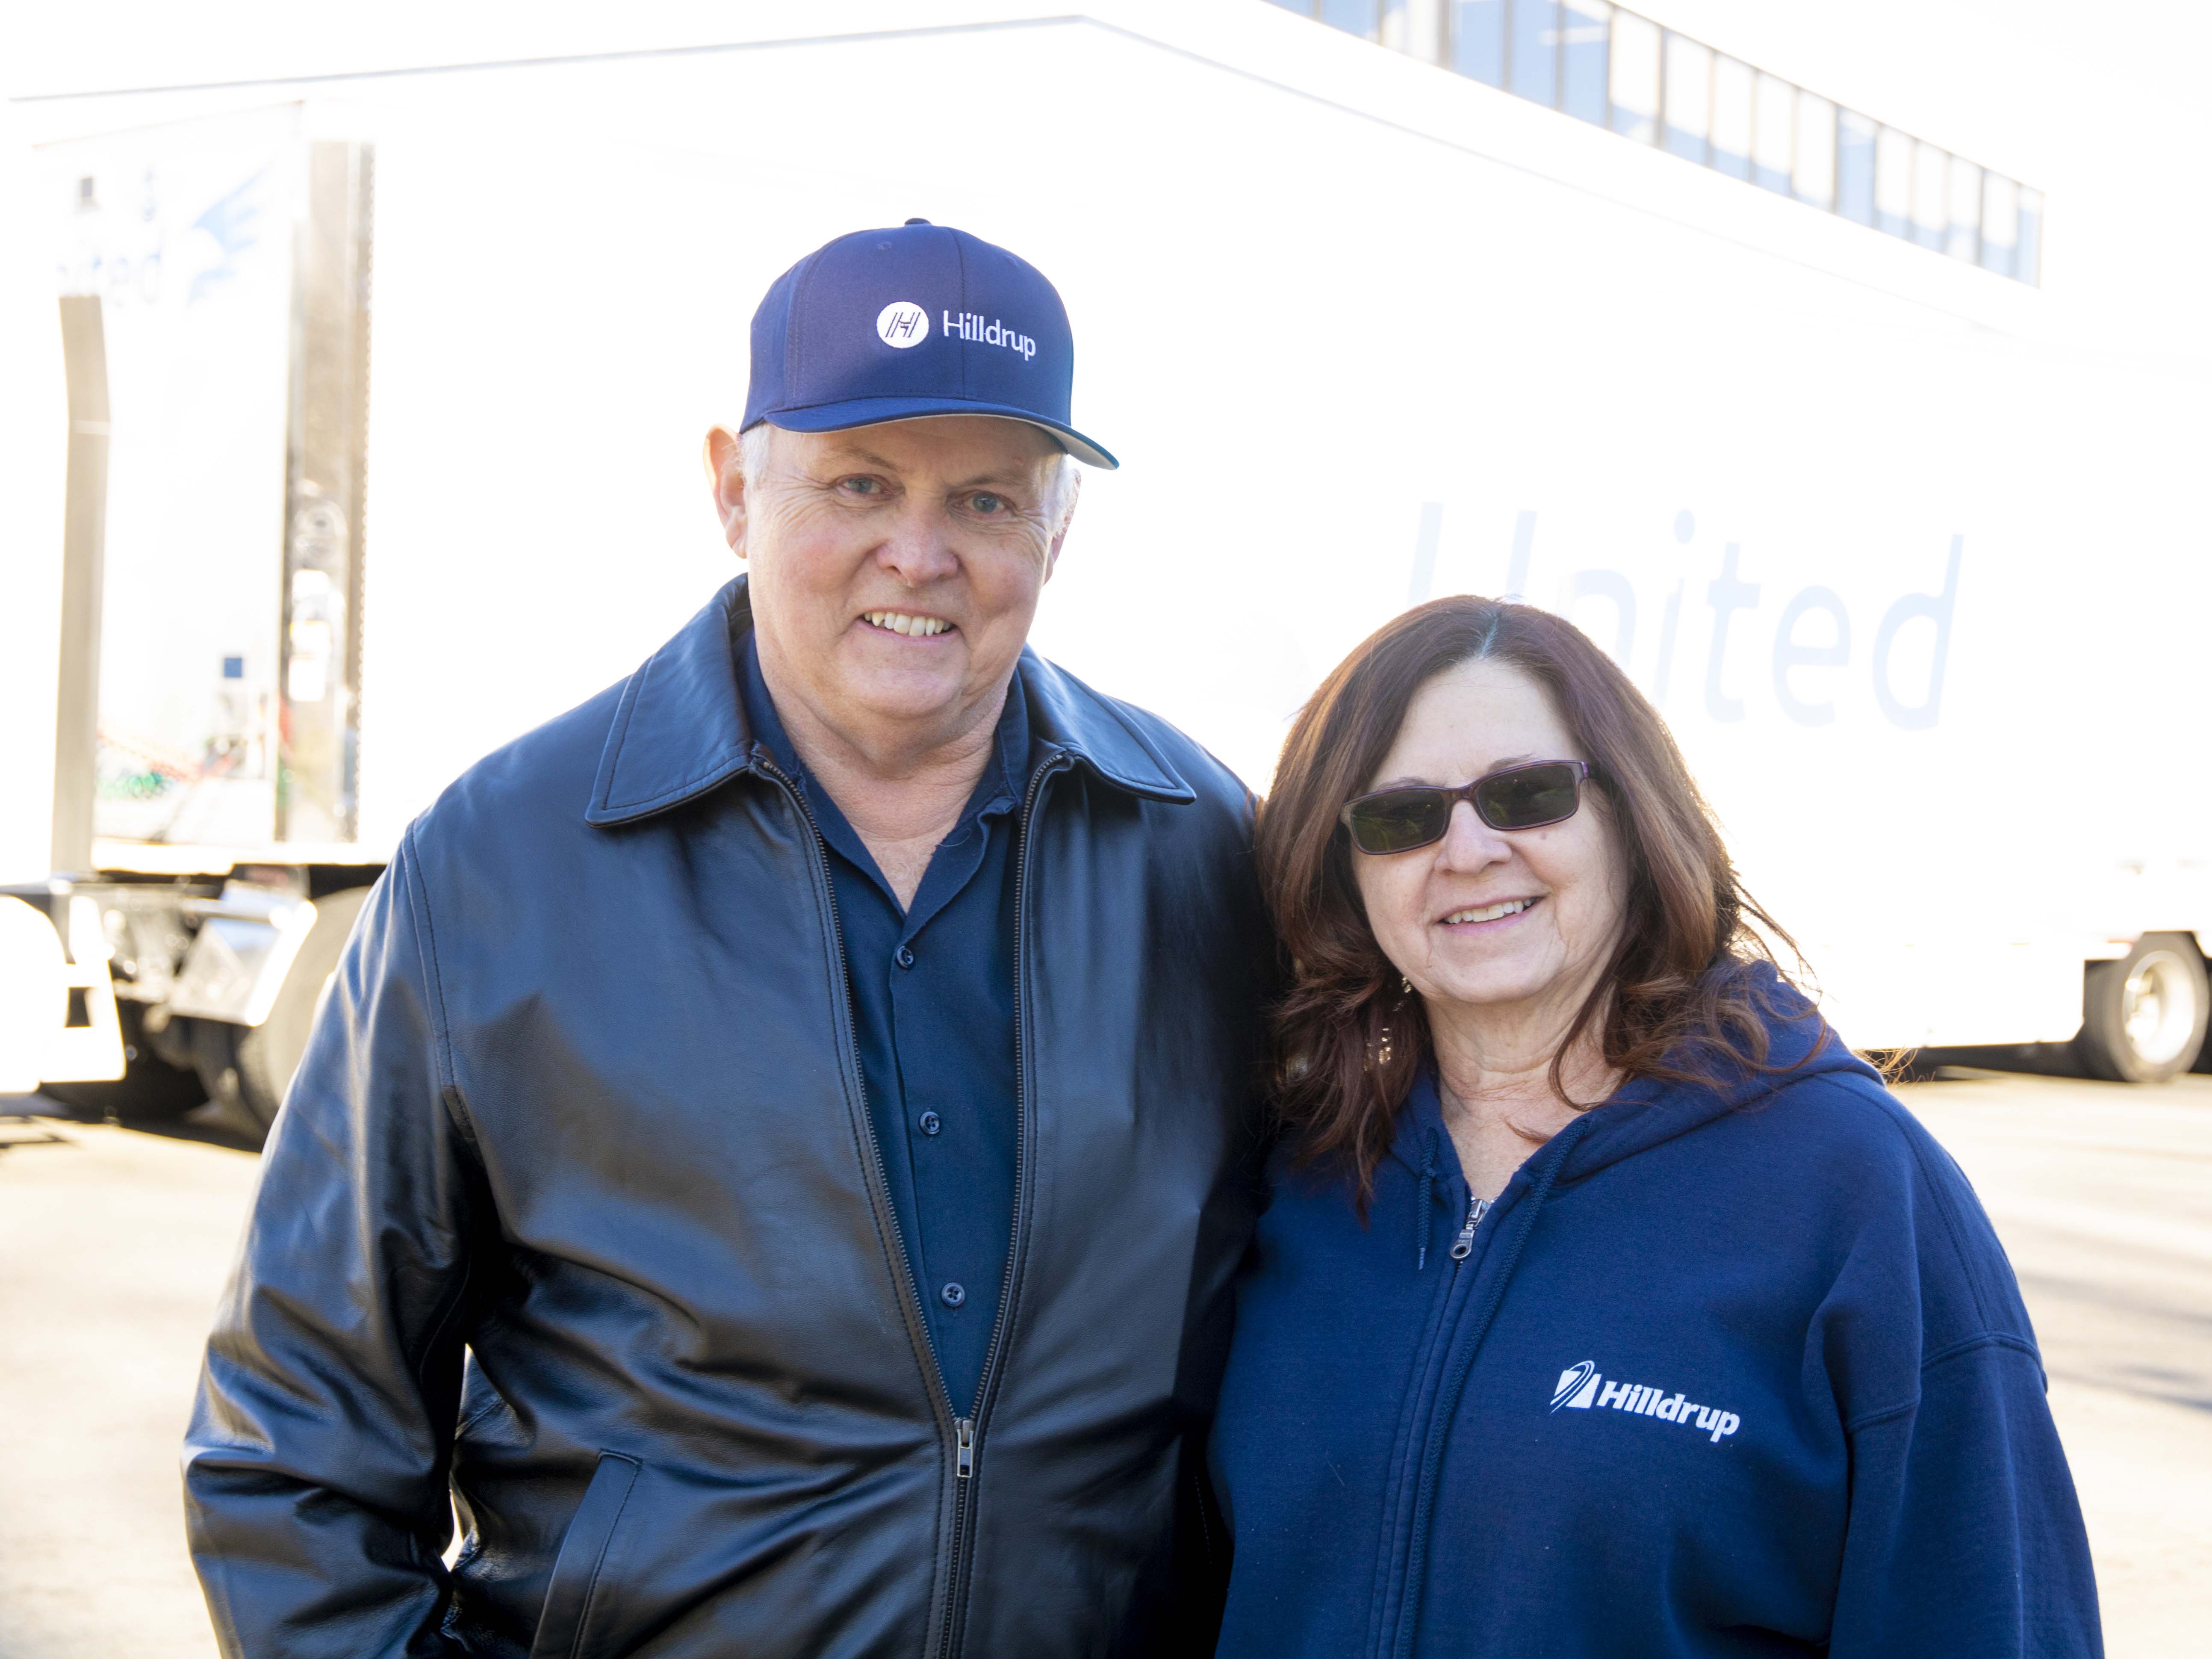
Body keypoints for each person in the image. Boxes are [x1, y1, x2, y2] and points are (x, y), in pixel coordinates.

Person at [183, 221, 1268, 1658]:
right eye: (858, 482)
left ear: (1058, 529)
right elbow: (296, 1444)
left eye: (988, 500)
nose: (919, 552)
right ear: (730, 490)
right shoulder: (504, 866)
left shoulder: (1206, 854)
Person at [1208, 596, 2102, 1657]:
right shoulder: (1301, 1173)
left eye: (1525, 794)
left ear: (1630, 819)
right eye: (1400, 817)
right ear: (1343, 870)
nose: (1467, 848)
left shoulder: (1855, 1190)